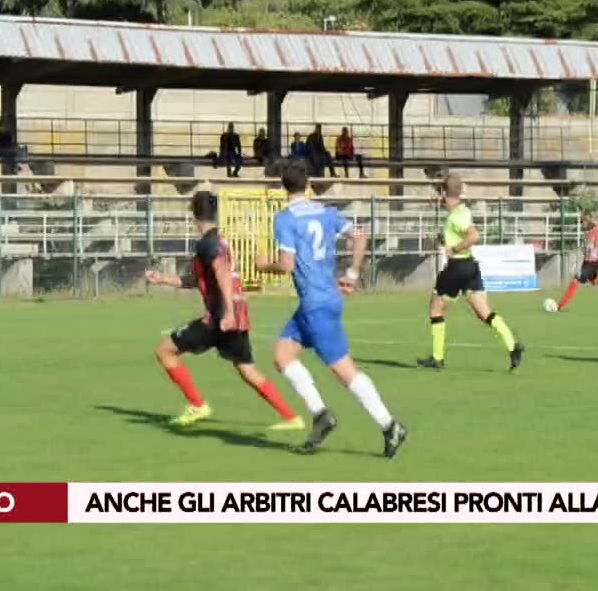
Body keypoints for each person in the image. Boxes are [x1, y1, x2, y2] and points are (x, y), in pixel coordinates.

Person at [256, 160, 407, 458]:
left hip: (316, 305)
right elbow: (360, 235)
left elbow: (286, 265)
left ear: (282, 186)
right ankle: (320, 414)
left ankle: (390, 425)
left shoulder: (285, 219)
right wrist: (351, 273)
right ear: (308, 183)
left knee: (344, 371)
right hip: (319, 301)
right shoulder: (326, 212)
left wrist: (264, 266)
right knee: (282, 356)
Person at [144, 191, 303, 430]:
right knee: (247, 369)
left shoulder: (208, 243)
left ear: (193, 215)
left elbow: (222, 275)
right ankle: (292, 417)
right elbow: (199, 279)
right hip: (236, 316)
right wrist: (163, 280)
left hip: (221, 318)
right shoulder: (219, 240)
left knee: (164, 350)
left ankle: (197, 405)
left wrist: (227, 312)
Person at [419, 174, 525, 370]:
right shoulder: (462, 210)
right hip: (470, 266)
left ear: (444, 192)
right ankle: (512, 346)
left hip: (457, 266)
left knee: (435, 309)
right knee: (483, 312)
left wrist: (454, 248)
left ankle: (437, 358)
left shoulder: (455, 216)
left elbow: (474, 235)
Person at [552, 211, 598, 312]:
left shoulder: (595, 230)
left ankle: (559, 306)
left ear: (588, 220)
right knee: (594, 281)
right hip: (593, 262)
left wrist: (585, 250)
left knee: (575, 281)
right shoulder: (597, 229)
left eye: (582, 221)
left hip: (590, 262)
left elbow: (590, 245)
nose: (582, 224)